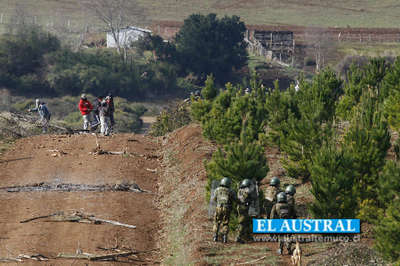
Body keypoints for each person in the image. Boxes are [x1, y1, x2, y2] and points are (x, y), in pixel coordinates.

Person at [211, 177, 236, 243]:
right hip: (227, 208)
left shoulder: (217, 190)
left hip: (218, 207)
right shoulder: (230, 191)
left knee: (216, 222)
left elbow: (214, 199)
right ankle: (225, 237)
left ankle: (215, 236)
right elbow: (235, 199)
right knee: (225, 223)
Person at [236, 179, 252, 243]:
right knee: (242, 223)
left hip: (239, 207)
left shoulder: (239, 190)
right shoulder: (246, 190)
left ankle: (245, 236)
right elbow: (248, 198)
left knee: (244, 221)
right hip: (244, 207)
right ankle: (238, 237)